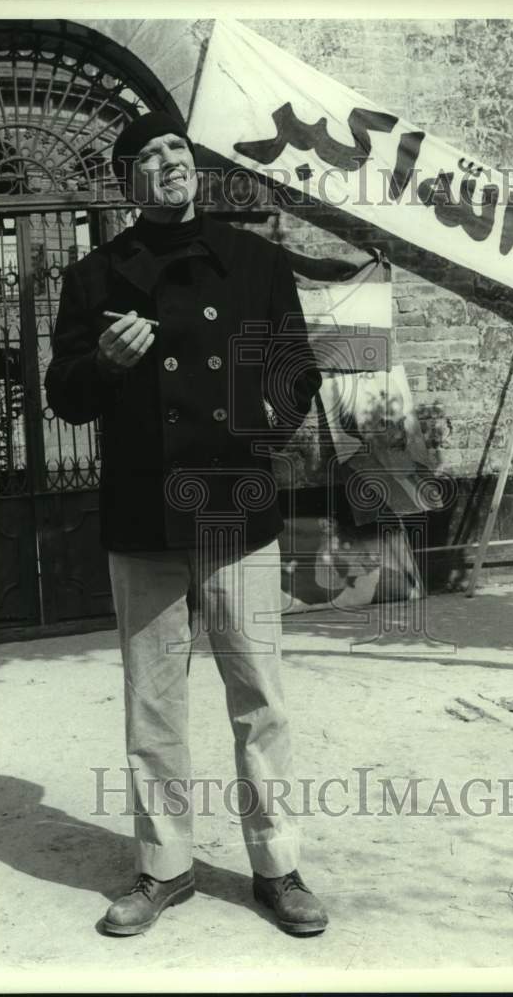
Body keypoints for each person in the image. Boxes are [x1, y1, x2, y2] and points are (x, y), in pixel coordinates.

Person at [44, 111, 328, 937]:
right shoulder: (93, 277)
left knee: (260, 699)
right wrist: (106, 364)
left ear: (194, 167)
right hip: (142, 513)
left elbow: (296, 367)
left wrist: (266, 416)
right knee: (153, 704)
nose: (168, 161)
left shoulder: (256, 261)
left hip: (235, 506)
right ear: (126, 179)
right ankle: (163, 869)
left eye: (177, 149)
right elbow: (62, 396)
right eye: (148, 155)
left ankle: (277, 868)